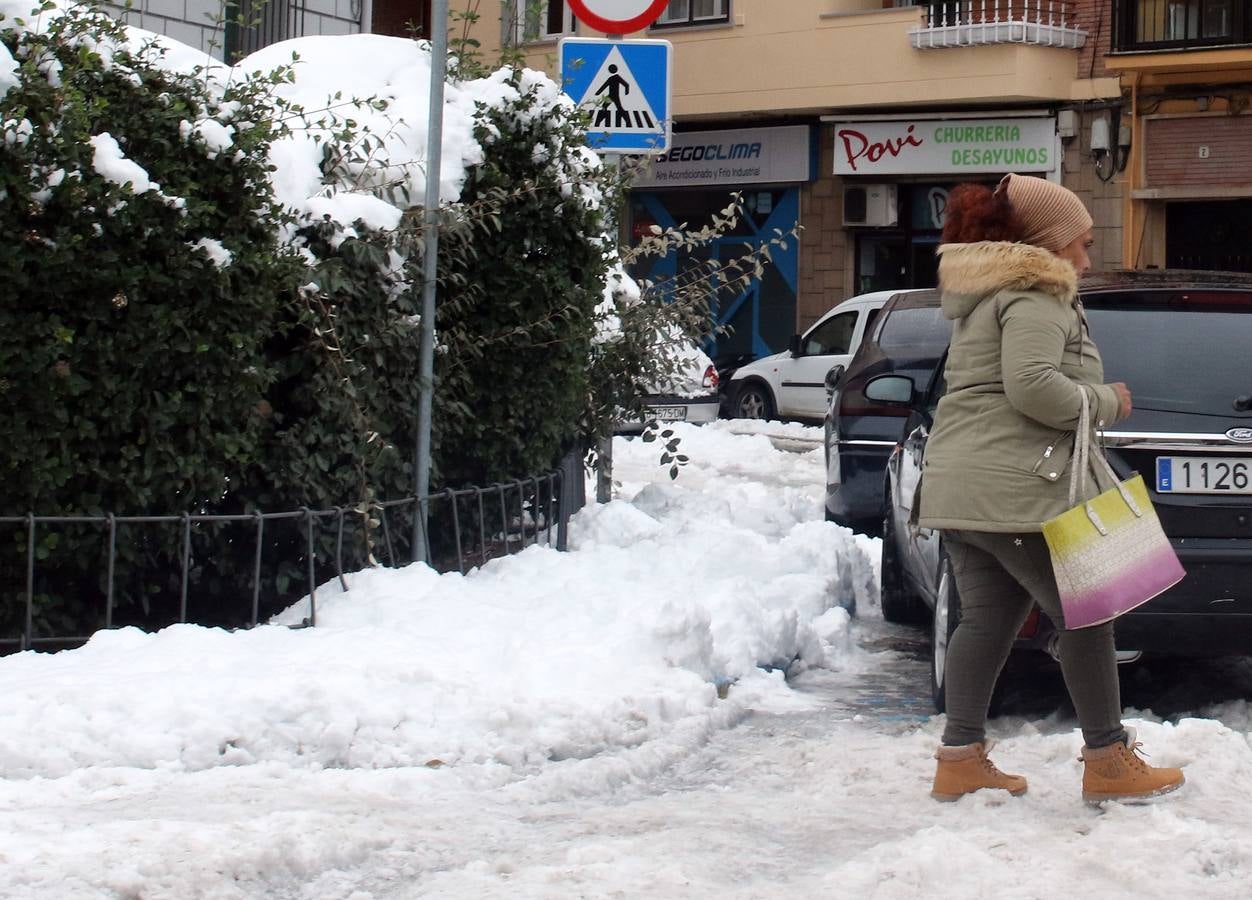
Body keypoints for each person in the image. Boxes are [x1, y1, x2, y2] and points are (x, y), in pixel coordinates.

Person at [917, 173, 1186, 804]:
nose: (1087, 259)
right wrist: (1106, 401)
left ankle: (960, 758)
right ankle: (1108, 759)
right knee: (1088, 616)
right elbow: (1033, 386)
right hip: (1017, 487)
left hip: (964, 484)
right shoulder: (1035, 293)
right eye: (1081, 244)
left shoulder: (986, 295)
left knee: (985, 622)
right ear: (1046, 243)